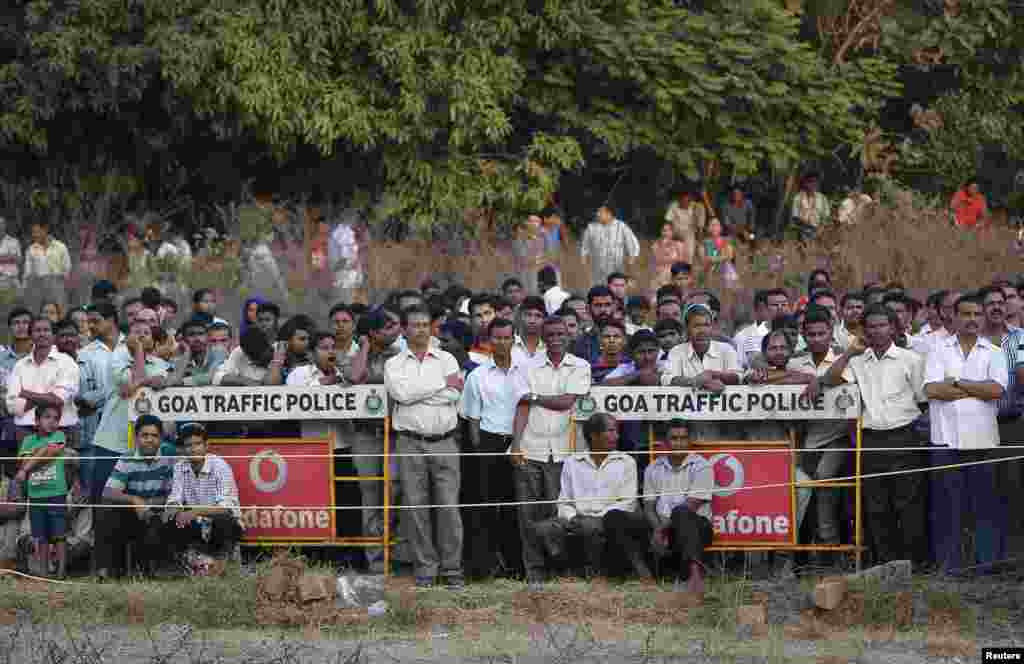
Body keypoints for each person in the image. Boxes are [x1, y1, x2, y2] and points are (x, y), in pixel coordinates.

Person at [809, 304, 928, 566]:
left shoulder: (911, 360)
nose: (877, 331)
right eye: (871, 326)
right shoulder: (858, 361)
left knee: (908, 505)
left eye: (882, 325)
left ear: (894, 328)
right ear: (864, 330)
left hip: (904, 437)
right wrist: (850, 350)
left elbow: (922, 401)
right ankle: (886, 564)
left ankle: (915, 565)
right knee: (876, 506)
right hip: (871, 438)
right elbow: (829, 379)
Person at [924, 294, 1008, 573]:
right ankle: (949, 568)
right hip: (945, 440)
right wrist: (977, 388)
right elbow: (932, 390)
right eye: (966, 314)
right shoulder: (937, 350)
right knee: (948, 509)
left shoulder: (994, 352)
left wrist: (958, 383)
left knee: (986, 508)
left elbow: (996, 390)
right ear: (955, 317)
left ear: (983, 318)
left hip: (984, 439)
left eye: (976, 314)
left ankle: (987, 567)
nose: (972, 319)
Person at [384, 306, 465, 589]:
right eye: (414, 325)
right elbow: (402, 395)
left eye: (424, 324)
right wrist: (440, 385)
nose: (420, 329)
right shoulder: (394, 364)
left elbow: (455, 394)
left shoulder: (447, 358)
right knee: (416, 509)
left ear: (431, 328)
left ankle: (452, 570)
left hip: (445, 441)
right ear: (404, 329)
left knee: (448, 508)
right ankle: (426, 571)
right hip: (409, 442)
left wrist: (421, 392)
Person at [511, 316, 591, 585]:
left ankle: (559, 572)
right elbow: (521, 406)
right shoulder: (526, 366)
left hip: (564, 452)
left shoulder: (580, 366)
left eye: (561, 333)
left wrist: (534, 397)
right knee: (527, 515)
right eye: (551, 335)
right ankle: (534, 574)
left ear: (568, 336)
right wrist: (516, 445)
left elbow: (567, 402)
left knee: (560, 515)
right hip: (530, 449)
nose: (556, 338)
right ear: (543, 338)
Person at [533, 413, 651, 580]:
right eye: (611, 431)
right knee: (543, 529)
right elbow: (564, 500)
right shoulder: (572, 462)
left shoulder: (626, 462)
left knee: (591, 527)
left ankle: (595, 576)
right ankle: (561, 576)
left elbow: (629, 502)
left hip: (610, 520)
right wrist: (573, 517)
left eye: (616, 431)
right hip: (577, 520)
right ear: (594, 436)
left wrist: (598, 518)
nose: (616, 436)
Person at [89, 317, 181, 504]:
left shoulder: (160, 364)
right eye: (136, 332)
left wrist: (138, 383)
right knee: (104, 497)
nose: (141, 336)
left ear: (153, 340)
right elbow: (138, 380)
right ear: (126, 338)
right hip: (113, 439)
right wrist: (139, 353)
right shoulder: (117, 357)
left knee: (136, 499)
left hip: (144, 443)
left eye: (146, 333)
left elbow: (153, 383)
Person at [460, 318, 525, 579]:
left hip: (521, 441)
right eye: (496, 338)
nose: (501, 342)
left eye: (506, 337)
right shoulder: (477, 376)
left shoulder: (526, 370)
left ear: (513, 339)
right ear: (489, 341)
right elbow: (472, 419)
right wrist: (480, 452)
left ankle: (516, 566)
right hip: (488, 442)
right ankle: (485, 567)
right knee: (485, 508)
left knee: (515, 508)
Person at [787, 305, 853, 553]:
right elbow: (780, 377)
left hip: (837, 436)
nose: (816, 339)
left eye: (821, 333)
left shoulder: (842, 358)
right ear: (803, 335)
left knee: (825, 482)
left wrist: (817, 380)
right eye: (811, 334)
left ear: (831, 332)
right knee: (803, 491)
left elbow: (842, 381)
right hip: (804, 438)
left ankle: (829, 544)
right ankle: (805, 548)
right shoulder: (795, 361)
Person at [341, 308, 403, 573]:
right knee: (371, 497)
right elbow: (355, 377)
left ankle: (396, 555)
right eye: (389, 327)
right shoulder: (356, 355)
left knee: (395, 493)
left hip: (395, 435)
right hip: (366, 435)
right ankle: (376, 561)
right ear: (374, 333)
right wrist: (364, 347)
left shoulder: (402, 356)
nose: (397, 330)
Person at [94, 414, 177, 579]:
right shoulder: (127, 458)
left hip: (159, 511)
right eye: (144, 435)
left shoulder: (169, 457)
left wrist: (150, 504)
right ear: (136, 438)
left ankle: (156, 570)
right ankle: (105, 572)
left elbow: (176, 492)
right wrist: (134, 500)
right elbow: (108, 492)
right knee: (105, 512)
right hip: (133, 513)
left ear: (161, 438)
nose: (149, 440)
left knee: (169, 517)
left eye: (154, 436)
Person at [643, 419, 713, 594]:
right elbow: (649, 506)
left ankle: (692, 576)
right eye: (674, 438)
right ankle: (685, 575)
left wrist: (661, 530)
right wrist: (657, 528)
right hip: (665, 529)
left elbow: (691, 505)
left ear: (689, 440)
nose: (679, 443)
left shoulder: (702, 466)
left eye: (684, 438)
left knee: (681, 513)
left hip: (697, 527)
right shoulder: (653, 468)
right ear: (665, 442)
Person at [162, 423, 244, 559]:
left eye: (197, 444)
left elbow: (226, 508)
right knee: (171, 521)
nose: (193, 449)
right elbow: (175, 498)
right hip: (196, 523)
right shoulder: (179, 467)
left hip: (223, 523)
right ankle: (180, 567)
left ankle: (220, 565)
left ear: (206, 446)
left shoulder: (220, 466)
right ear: (183, 449)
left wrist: (195, 512)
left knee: (223, 521)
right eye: (188, 445)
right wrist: (174, 511)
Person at [661, 304, 741, 441]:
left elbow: (738, 377)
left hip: (724, 431)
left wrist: (712, 374)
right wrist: (696, 382)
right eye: (696, 326)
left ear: (712, 327)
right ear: (687, 329)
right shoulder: (677, 351)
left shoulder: (726, 349)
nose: (702, 330)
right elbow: (667, 380)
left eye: (706, 325)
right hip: (687, 433)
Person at [17, 402, 78, 578]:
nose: (52, 422)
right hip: (36, 495)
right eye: (47, 417)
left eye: (56, 418)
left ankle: (61, 573)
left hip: (56, 493)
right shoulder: (28, 440)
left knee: (60, 535)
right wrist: (38, 456)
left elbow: (50, 452)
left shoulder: (59, 435)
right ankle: (44, 573)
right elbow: (24, 460)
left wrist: (26, 469)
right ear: (36, 421)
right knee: (41, 536)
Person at [6, 317, 80, 448]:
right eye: (37, 330)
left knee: (61, 469)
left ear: (54, 335)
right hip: (25, 431)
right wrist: (47, 396)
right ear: (31, 335)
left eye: (46, 330)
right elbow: (12, 407)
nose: (42, 334)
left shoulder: (67, 362)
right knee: (25, 469)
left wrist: (25, 394)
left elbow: (58, 400)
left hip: (62, 430)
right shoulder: (20, 365)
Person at [580, 205, 640, 287]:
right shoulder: (591, 228)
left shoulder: (621, 226)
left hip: (617, 273)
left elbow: (633, 247)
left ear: (609, 214)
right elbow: (584, 249)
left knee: (617, 297)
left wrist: (631, 273)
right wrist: (586, 271)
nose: (597, 214)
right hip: (598, 275)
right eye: (597, 212)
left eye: (601, 212)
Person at [734, 289, 790, 369]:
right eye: (775, 305)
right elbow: (739, 370)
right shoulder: (743, 337)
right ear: (766, 308)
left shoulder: (795, 334)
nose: (780, 308)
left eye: (784, 304)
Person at [23, 220, 71, 310]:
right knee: (38, 313)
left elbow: (67, 268)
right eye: (33, 233)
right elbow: (27, 273)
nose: (34, 235)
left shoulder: (60, 247)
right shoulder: (31, 249)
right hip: (38, 288)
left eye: (37, 232)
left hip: (57, 286)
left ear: (45, 230)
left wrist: (58, 282)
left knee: (58, 312)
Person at [214, 327, 280, 387]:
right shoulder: (239, 353)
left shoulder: (278, 350)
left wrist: (276, 361)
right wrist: (244, 381)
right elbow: (217, 377)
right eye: (253, 358)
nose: (257, 361)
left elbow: (271, 383)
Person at [571, 286, 617, 364]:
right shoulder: (580, 343)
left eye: (607, 305)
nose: (603, 310)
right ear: (588, 309)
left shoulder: (627, 340)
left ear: (614, 307)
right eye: (598, 305)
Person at [664, 191, 705, 263]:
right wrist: (670, 234)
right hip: (675, 231)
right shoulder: (674, 205)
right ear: (679, 200)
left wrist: (699, 238)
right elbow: (668, 222)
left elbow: (700, 226)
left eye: (687, 201)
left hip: (689, 232)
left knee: (689, 252)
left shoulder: (697, 207)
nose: (685, 203)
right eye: (682, 200)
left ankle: (688, 266)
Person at [696, 218, 737, 286]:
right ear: (708, 228)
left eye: (717, 225)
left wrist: (714, 259)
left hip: (725, 271)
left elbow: (730, 256)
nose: (714, 227)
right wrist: (722, 257)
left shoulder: (727, 241)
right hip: (709, 271)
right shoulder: (703, 243)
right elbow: (704, 259)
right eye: (712, 225)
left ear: (721, 228)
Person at [513, 216, 547, 294]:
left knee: (534, 289)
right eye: (532, 222)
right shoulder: (518, 240)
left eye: (537, 223)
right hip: (523, 271)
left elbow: (542, 256)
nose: (536, 225)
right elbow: (520, 256)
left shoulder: (540, 239)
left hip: (535, 271)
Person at [790, 174, 831, 238]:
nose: (813, 184)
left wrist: (820, 229)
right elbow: (795, 217)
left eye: (815, 182)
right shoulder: (798, 198)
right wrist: (808, 226)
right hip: (802, 233)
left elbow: (826, 217)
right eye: (810, 182)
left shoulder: (823, 198)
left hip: (819, 233)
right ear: (805, 183)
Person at [512, 296, 547, 369]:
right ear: (521, 316)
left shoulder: (548, 347)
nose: (532, 321)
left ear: (544, 319)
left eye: (538, 316)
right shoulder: (508, 344)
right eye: (528, 315)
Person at [652, 223, 688, 290]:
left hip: (675, 275)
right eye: (664, 230)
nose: (666, 233)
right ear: (661, 232)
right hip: (660, 275)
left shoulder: (679, 245)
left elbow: (681, 262)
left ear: (672, 232)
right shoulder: (656, 245)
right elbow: (656, 261)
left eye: (668, 230)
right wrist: (662, 246)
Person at [0, 215, 22, 294]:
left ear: (5, 226)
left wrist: (10, 258)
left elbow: (19, 260)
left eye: (1, 224)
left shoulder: (14, 241)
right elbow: (13, 258)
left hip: (11, 280)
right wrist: (9, 257)